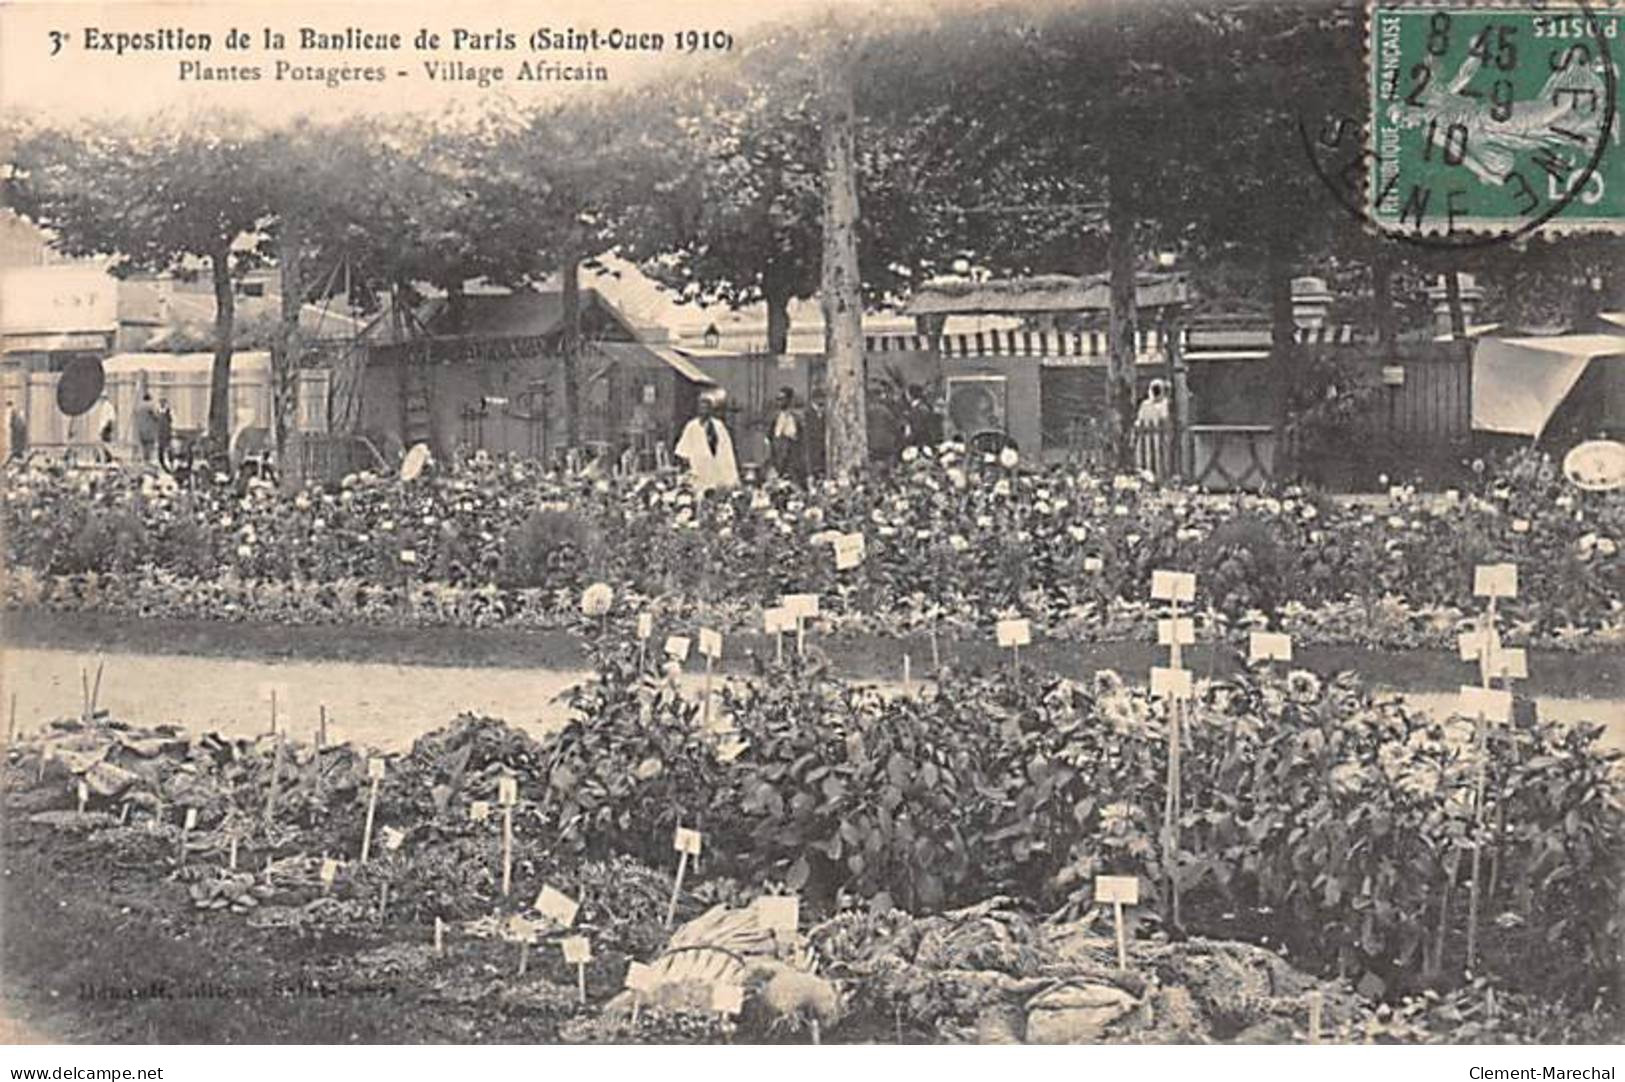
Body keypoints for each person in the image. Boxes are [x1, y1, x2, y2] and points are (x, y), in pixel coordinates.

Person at [674, 392, 739, 495]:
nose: (704, 410)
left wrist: (731, 475)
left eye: (707, 407)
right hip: (699, 472)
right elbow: (682, 451)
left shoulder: (719, 426)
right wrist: (687, 471)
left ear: (711, 410)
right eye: (702, 407)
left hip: (717, 471)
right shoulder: (692, 427)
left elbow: (727, 450)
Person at [768, 386, 805, 485]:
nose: (779, 402)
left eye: (782, 399)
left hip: (792, 463)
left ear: (789, 400)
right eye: (778, 399)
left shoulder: (797, 419)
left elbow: (801, 441)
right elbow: (770, 438)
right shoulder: (775, 418)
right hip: (778, 461)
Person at [135, 393, 159, 465]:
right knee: (150, 445)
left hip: (140, 429)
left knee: (143, 446)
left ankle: (145, 460)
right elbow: (156, 416)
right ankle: (149, 461)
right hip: (149, 429)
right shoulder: (150, 406)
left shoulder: (138, 406)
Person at [156, 398, 175, 471]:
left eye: (163, 403)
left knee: (169, 449)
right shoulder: (158, 411)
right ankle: (162, 464)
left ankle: (171, 464)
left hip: (167, 432)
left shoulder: (168, 411)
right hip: (160, 433)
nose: (162, 404)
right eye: (161, 403)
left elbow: (171, 420)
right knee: (160, 450)